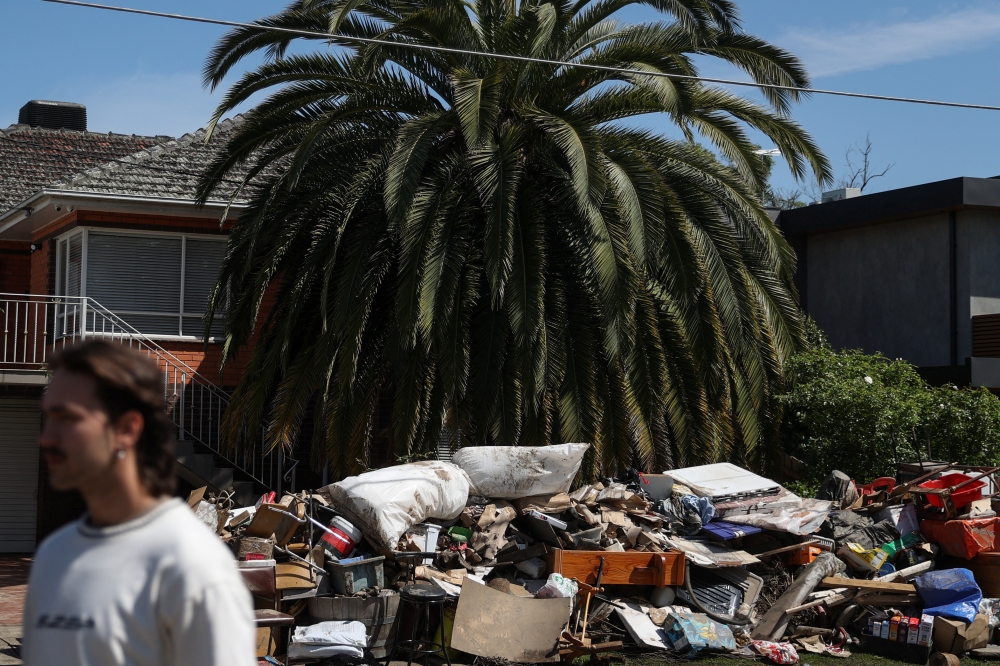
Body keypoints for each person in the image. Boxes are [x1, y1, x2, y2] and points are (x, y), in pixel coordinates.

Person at [22, 340, 256, 666]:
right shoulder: (52, 555)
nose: (46, 438)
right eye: (48, 418)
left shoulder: (192, 565)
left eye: (67, 418)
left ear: (127, 429)